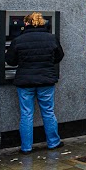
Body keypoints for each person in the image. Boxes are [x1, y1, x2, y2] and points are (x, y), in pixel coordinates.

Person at [5, 12, 65, 154]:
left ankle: (26, 147)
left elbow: (10, 60)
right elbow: (59, 56)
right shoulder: (51, 38)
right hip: (46, 80)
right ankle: (53, 142)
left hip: (25, 82)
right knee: (48, 112)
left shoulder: (19, 40)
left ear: (26, 23)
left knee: (26, 114)